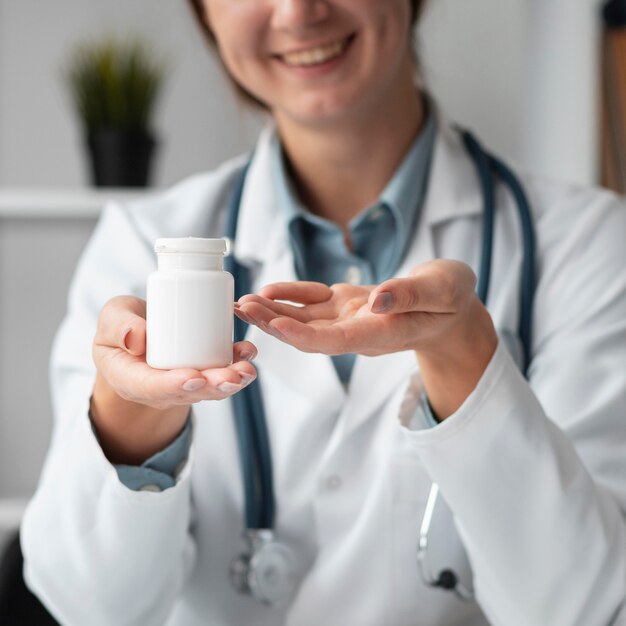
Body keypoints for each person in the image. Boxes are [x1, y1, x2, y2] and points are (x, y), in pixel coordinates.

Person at [20, 1, 626, 625]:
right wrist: (135, 417)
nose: (299, 11)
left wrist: (463, 357)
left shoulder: (585, 246)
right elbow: (87, 605)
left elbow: (587, 610)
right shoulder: (141, 245)